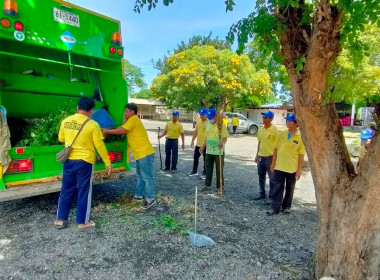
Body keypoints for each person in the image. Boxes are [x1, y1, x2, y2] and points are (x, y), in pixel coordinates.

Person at [55, 97, 112, 229]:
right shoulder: (93, 125)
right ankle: (82, 222)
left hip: (68, 161)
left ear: (77, 107)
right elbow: (99, 145)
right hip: (85, 162)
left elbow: (61, 138)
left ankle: (60, 220)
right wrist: (107, 162)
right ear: (91, 110)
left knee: (66, 190)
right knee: (83, 191)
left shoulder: (66, 121)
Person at [103, 103, 157, 210]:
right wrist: (110, 128)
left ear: (132, 112)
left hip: (145, 153)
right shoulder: (131, 121)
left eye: (126, 111)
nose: (125, 113)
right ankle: (138, 196)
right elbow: (122, 128)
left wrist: (107, 131)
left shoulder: (133, 119)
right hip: (140, 154)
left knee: (146, 176)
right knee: (141, 176)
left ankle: (150, 199)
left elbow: (123, 130)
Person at [267, 114, 305, 215]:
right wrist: (273, 163)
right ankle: (275, 207)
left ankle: (286, 206)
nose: (288, 122)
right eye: (287, 120)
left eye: (290, 121)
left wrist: (299, 169)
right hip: (279, 166)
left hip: (292, 168)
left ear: (296, 124)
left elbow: (301, 155)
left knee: (289, 188)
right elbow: (275, 149)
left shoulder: (300, 137)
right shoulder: (281, 134)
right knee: (277, 187)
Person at [200, 109, 229, 194]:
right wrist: (202, 146)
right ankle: (207, 185)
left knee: (219, 169)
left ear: (216, 116)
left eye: (211, 117)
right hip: (209, 150)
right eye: (208, 117)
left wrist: (222, 142)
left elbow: (225, 138)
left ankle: (220, 187)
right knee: (208, 168)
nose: (209, 119)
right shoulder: (208, 124)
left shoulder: (221, 125)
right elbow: (206, 137)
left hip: (218, 151)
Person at [253, 111, 278, 201]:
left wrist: (275, 159)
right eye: (263, 117)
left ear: (271, 119)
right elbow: (259, 142)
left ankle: (272, 196)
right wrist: (257, 155)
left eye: (266, 117)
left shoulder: (275, 130)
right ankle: (262, 193)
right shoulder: (260, 129)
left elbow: (277, 146)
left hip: (270, 156)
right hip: (261, 156)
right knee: (261, 175)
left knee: (272, 177)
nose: (263, 119)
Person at [188, 108, 208, 178]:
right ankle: (194, 171)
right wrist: (192, 140)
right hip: (198, 143)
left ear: (206, 114)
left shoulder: (209, 122)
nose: (202, 116)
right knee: (195, 157)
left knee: (206, 159)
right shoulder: (198, 120)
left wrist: (204, 145)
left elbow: (209, 135)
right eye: (201, 114)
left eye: (203, 115)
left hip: (206, 144)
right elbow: (196, 131)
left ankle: (205, 173)